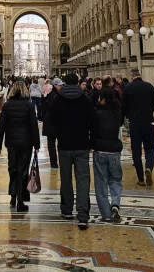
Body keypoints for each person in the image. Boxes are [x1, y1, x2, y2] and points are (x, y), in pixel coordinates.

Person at [50, 73, 95, 229]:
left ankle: (67, 210)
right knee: (83, 180)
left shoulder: (57, 100)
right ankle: (83, 216)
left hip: (64, 145)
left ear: (63, 83)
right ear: (77, 83)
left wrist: (59, 136)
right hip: (82, 144)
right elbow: (92, 121)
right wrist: (91, 141)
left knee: (66, 179)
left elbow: (52, 121)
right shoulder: (85, 99)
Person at [0, 80, 40, 213]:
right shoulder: (29, 105)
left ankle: (13, 196)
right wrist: (37, 145)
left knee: (13, 168)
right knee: (23, 171)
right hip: (26, 143)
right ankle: (21, 201)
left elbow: (1, 126)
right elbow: (34, 126)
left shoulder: (7, 105)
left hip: (11, 142)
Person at [122, 68, 154, 187]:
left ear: (131, 76)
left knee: (136, 150)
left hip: (134, 123)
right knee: (150, 148)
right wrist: (148, 112)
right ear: (140, 75)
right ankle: (149, 168)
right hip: (148, 122)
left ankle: (141, 178)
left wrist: (129, 115)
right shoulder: (149, 86)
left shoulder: (128, 88)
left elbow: (124, 106)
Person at [93, 87, 124, 222]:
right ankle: (115, 203)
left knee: (101, 183)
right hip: (115, 151)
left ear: (104, 99)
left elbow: (93, 130)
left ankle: (106, 214)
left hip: (100, 150)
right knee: (116, 180)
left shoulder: (98, 114)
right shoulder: (118, 113)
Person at [42, 78, 62, 168]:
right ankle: (58, 161)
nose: (61, 87)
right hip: (55, 122)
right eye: (59, 85)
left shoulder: (46, 95)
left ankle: (53, 162)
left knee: (51, 143)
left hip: (49, 121)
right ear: (55, 85)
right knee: (58, 142)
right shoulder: (56, 96)